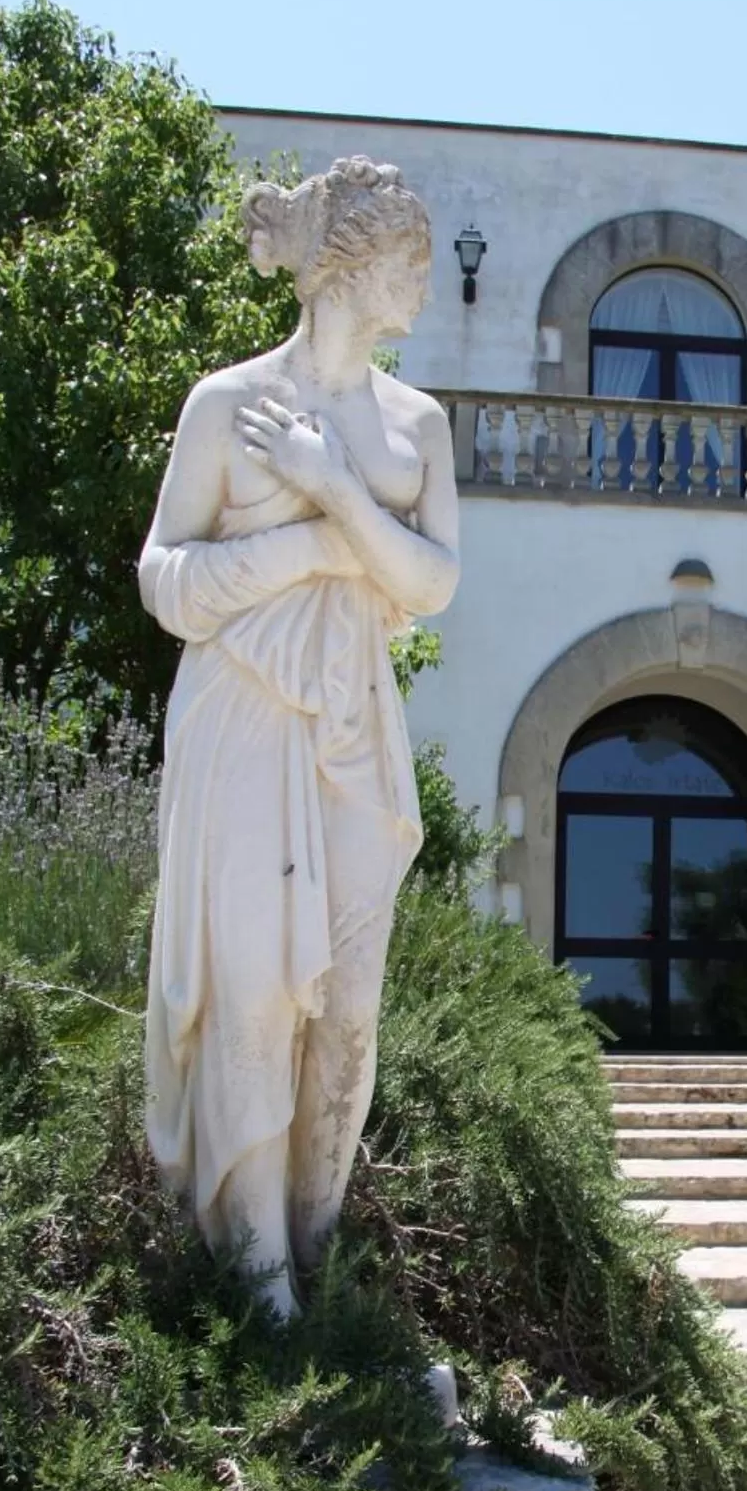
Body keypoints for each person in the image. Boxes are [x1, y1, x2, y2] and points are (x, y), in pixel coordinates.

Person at [139, 156, 459, 1315]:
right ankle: (261, 1293)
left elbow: (430, 584)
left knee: (348, 1013)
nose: (420, 288)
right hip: (238, 713)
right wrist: (319, 546)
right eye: (410, 263)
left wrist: (335, 493)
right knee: (257, 997)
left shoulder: (415, 423)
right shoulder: (226, 405)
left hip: (349, 721)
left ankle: (317, 1268)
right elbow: (165, 582)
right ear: (354, 265)